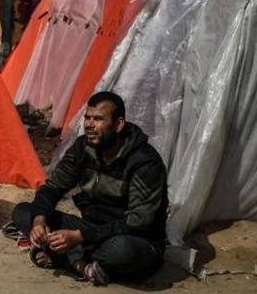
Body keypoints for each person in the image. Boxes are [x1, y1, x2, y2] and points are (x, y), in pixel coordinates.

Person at [12, 91, 168, 286]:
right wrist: (39, 221)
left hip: (131, 237)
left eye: (98, 119)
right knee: (23, 212)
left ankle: (72, 260)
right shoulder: (83, 148)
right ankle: (85, 265)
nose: (89, 125)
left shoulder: (144, 162)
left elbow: (137, 222)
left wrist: (79, 237)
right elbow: (52, 187)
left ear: (119, 124)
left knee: (122, 251)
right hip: (90, 229)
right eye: (87, 118)